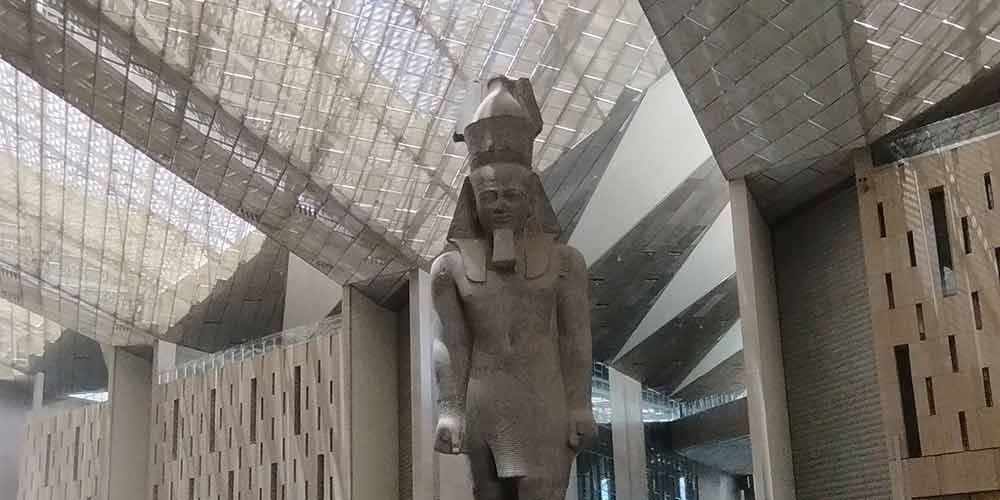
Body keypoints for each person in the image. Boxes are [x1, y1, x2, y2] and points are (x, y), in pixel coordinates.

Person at [431, 76, 596, 500]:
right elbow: (452, 343)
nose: (501, 204)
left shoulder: (564, 262)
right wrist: (449, 410)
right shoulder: (449, 269)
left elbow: (575, 335)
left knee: (541, 492)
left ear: (530, 199)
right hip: (482, 402)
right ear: (473, 201)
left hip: (544, 397)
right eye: (489, 196)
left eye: (510, 195)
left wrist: (580, 404)